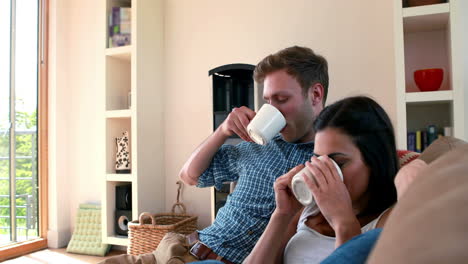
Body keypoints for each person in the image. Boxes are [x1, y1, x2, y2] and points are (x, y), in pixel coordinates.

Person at [178, 46, 329, 263]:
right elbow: (189, 176)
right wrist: (222, 131)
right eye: (269, 101)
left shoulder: (329, 160)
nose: (272, 110)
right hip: (183, 247)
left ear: (315, 95)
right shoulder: (257, 145)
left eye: (282, 99)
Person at [244, 96, 399, 264]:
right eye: (318, 160)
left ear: (375, 161)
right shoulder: (308, 210)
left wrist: (344, 223)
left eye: (338, 163)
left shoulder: (391, 221)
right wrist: (282, 214)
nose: (324, 173)